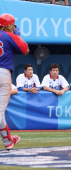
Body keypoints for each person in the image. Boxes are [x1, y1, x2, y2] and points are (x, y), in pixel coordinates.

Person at [0, 13, 29, 150]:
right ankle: (8, 140)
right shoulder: (9, 35)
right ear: (9, 25)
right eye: (13, 24)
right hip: (3, 73)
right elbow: (25, 49)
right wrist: (17, 35)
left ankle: (8, 141)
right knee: (0, 111)